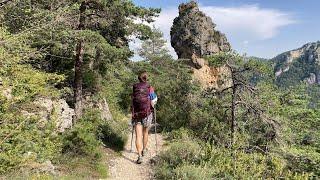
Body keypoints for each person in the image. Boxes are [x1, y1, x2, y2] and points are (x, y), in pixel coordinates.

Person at [131, 71, 156, 164]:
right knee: (145, 133)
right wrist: (152, 105)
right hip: (147, 113)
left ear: (138, 78)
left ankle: (139, 156)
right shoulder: (149, 87)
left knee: (138, 135)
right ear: (146, 78)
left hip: (137, 114)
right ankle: (144, 150)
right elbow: (154, 100)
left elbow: (132, 99)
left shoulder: (135, 87)